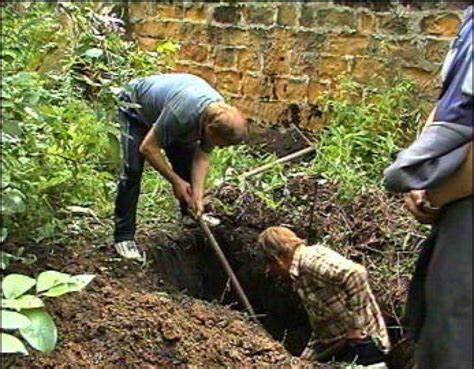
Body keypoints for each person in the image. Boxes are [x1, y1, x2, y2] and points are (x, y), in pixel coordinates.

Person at [384, 6, 473, 369]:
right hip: (455, 198)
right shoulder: (469, 19)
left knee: (457, 334)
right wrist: (423, 181)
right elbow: (447, 101)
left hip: (463, 199)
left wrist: (438, 191)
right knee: (439, 323)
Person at [114, 73, 247, 260]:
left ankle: (191, 213)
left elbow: (201, 158)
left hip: (167, 114)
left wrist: (198, 197)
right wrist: (175, 181)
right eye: (221, 144)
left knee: (186, 160)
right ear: (208, 130)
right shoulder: (183, 114)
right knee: (132, 169)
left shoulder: (218, 114)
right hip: (134, 107)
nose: (221, 147)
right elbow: (148, 147)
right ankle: (123, 236)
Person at [257, 226, 390, 366]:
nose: (269, 270)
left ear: (277, 259)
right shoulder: (300, 276)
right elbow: (322, 322)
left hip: (363, 346)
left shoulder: (311, 262)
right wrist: (302, 361)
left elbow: (356, 274)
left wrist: (356, 327)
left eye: (269, 264)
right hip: (341, 348)